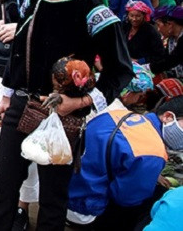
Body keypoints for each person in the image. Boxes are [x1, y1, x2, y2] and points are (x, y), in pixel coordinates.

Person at [0, 0, 134, 231]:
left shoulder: (95, 14)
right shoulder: (34, 2)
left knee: (53, 200)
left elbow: (121, 72)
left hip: (63, 117)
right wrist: (6, 95)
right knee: (4, 190)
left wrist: (79, 102)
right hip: (22, 107)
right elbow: (21, 52)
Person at [66, 98, 182, 229]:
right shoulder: (153, 152)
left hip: (61, 189)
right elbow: (127, 199)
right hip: (82, 207)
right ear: (167, 116)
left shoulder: (118, 114)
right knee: (157, 198)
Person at [123, 0, 165, 65]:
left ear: (144, 16)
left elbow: (159, 54)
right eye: (131, 16)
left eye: (138, 16)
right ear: (128, 15)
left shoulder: (150, 31)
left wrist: (139, 61)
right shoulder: (125, 28)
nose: (134, 19)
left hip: (145, 65)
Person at [149, 6, 183, 78]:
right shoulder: (172, 39)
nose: (158, 29)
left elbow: (172, 60)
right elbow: (165, 57)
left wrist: (149, 68)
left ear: (169, 25)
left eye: (158, 25)